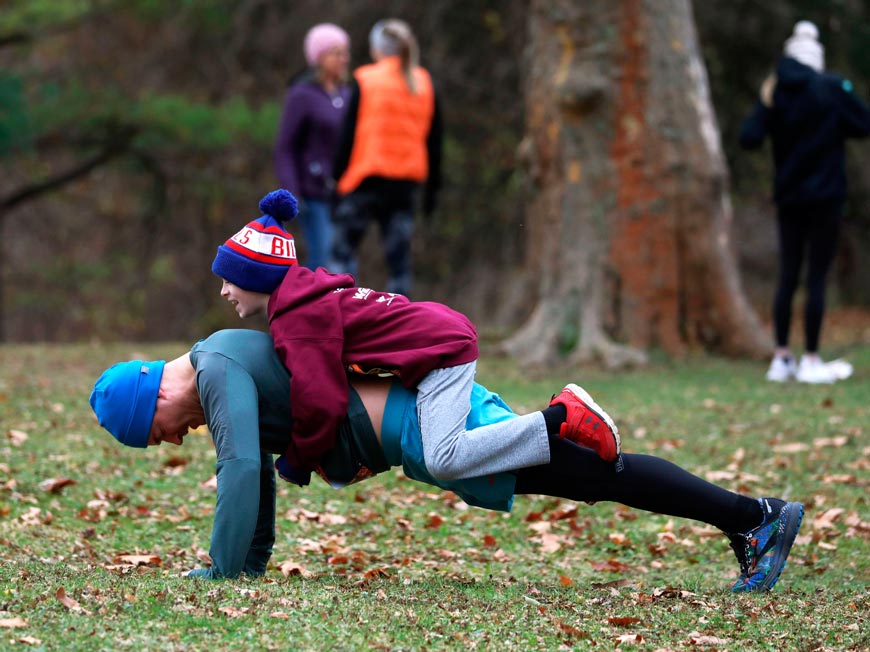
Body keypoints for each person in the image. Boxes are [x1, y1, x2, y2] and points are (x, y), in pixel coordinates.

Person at [89, 328, 804, 593]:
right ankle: (752, 520)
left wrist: (218, 571)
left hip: (437, 429)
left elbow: (244, 468)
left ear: (149, 400)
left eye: (157, 435)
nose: (173, 442)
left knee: (599, 477)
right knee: (594, 483)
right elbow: (257, 469)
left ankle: (756, 517)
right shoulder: (222, 372)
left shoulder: (216, 371)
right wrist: (248, 564)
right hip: (426, 439)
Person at [211, 189, 621, 491]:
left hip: (443, 350)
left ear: (256, 278)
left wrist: (297, 461)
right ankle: (557, 429)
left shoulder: (296, 317)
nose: (225, 291)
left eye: (230, 280)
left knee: (443, 458)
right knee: (441, 454)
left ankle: (561, 417)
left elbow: (321, 399)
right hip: (435, 343)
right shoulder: (303, 299)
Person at [739, 20, 870, 384]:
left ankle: (782, 357)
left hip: (789, 198)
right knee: (815, 277)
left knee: (788, 276)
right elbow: (863, 123)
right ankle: (810, 358)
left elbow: (749, 137)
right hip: (826, 197)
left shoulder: (775, 91)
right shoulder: (831, 88)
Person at [330, 18, 442, 297]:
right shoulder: (425, 82)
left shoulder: (365, 79)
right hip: (404, 187)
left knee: (340, 259)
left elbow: (348, 137)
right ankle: (399, 323)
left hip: (366, 180)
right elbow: (435, 142)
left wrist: (336, 178)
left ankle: (338, 313)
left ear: (377, 49)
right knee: (399, 265)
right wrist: (431, 194)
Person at [273, 23, 352, 270]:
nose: (343, 59)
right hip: (313, 192)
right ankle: (306, 307)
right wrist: (292, 191)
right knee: (326, 261)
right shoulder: (302, 95)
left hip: (345, 193)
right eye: (336, 53)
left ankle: (344, 309)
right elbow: (285, 147)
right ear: (319, 57)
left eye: (344, 52)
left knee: (347, 264)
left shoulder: (348, 95)